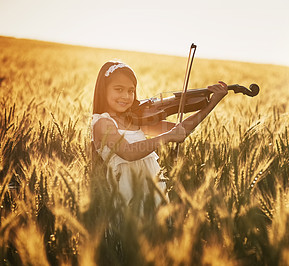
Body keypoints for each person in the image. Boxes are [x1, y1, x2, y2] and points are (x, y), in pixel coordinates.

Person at [91, 60, 228, 212]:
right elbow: (128, 152)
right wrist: (168, 137)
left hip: (151, 191)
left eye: (131, 91)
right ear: (104, 90)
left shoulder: (134, 120)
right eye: (119, 89)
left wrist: (211, 105)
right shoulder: (103, 123)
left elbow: (181, 130)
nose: (126, 96)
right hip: (126, 194)